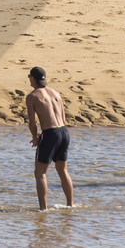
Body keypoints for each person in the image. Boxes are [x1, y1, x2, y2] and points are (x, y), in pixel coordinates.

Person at [25, 66, 74, 210]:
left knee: (40, 173)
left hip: (50, 134)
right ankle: (70, 205)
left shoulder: (32, 96)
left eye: (29, 77)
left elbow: (32, 123)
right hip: (64, 133)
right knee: (63, 170)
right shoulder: (56, 93)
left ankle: (43, 209)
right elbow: (63, 118)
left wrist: (35, 138)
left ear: (33, 79)